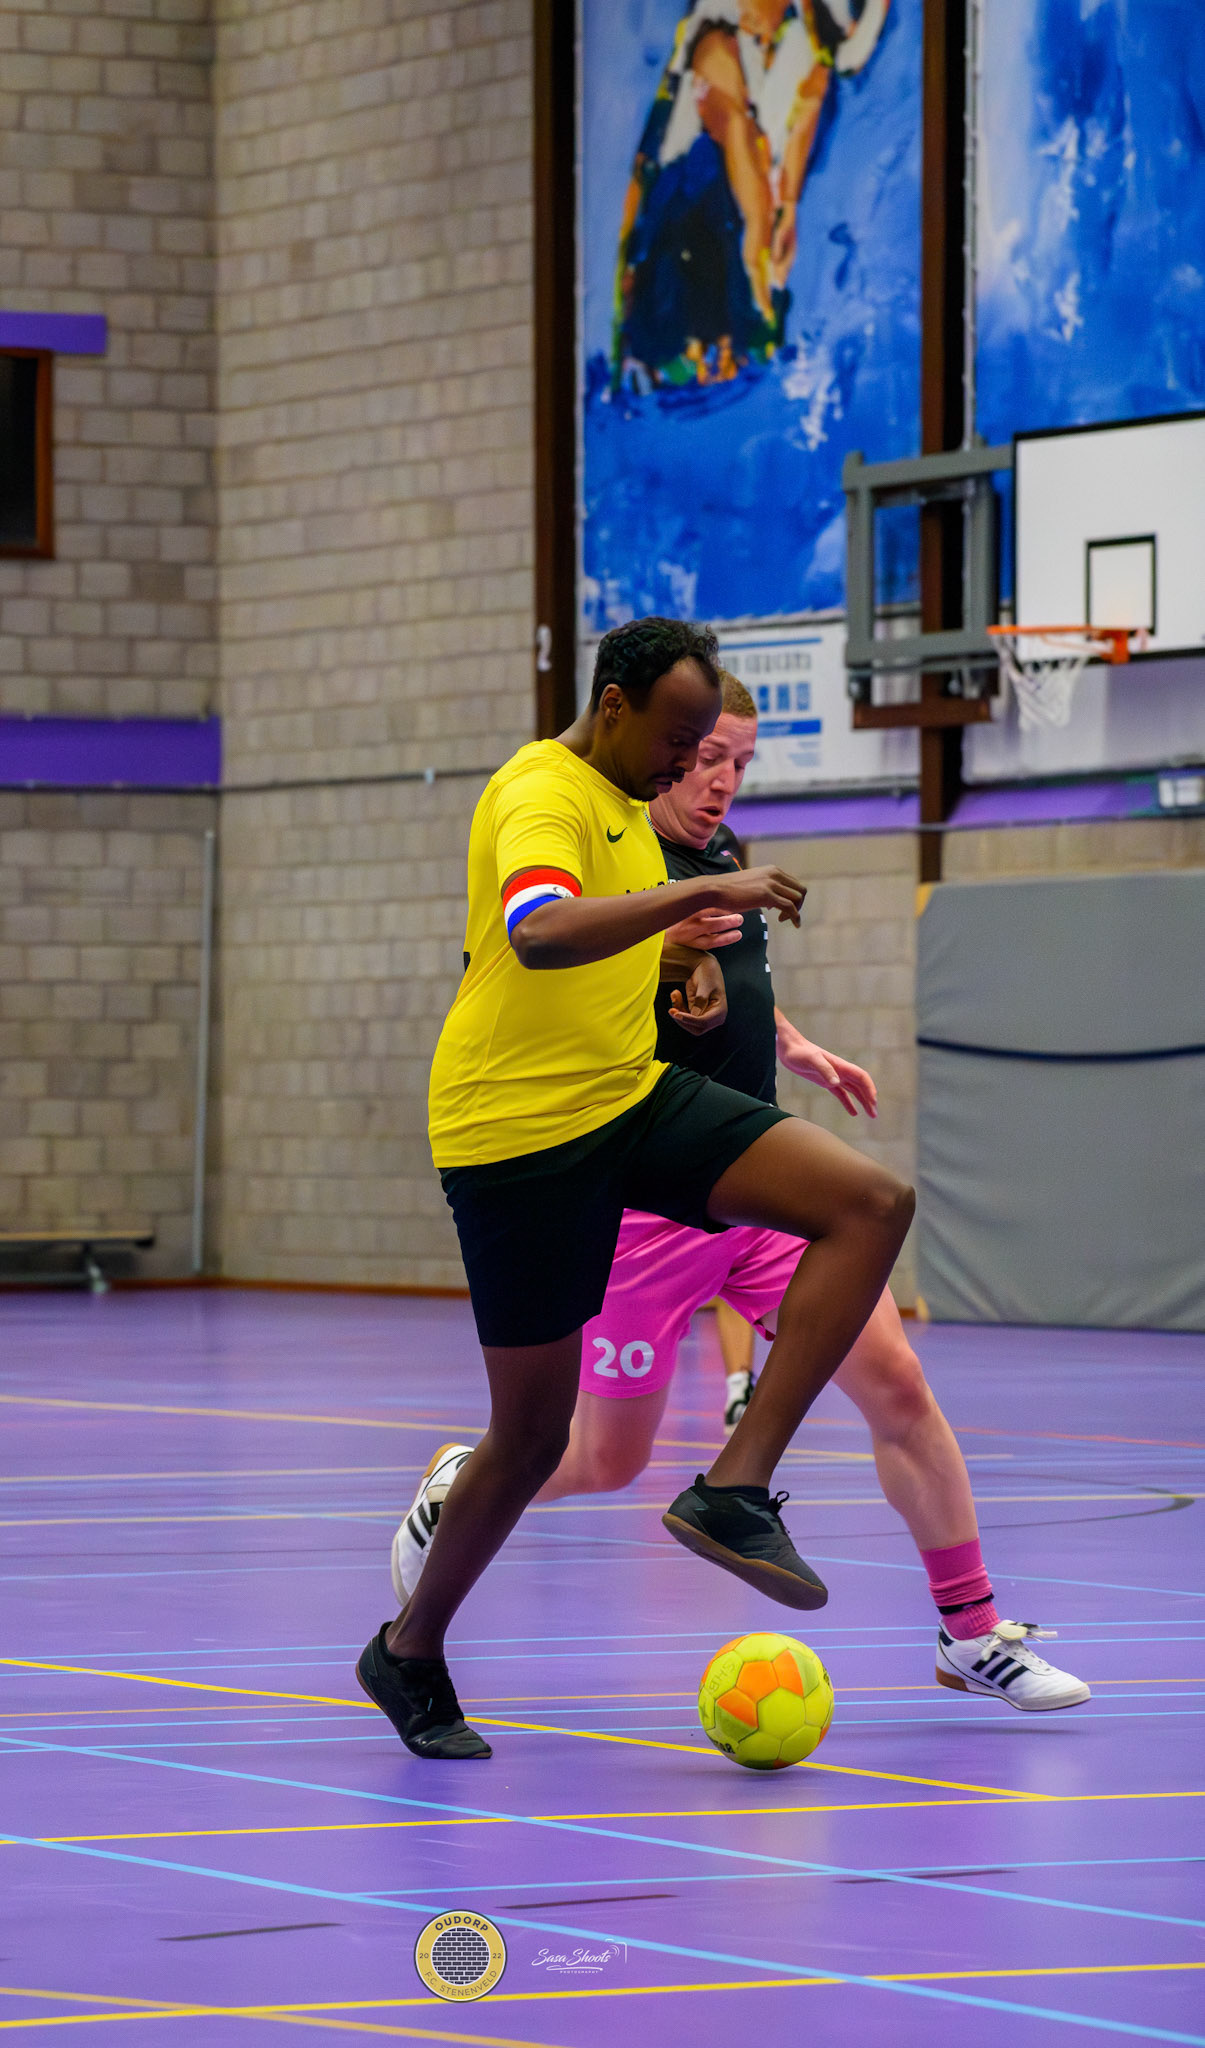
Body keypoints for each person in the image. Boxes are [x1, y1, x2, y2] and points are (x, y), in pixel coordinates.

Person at [394, 672, 1090, 1715]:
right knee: (601, 1458)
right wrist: (660, 945)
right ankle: (462, 1482)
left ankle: (971, 1630)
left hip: (749, 1199)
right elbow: (555, 960)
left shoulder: (722, 855)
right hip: (642, 1210)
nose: (716, 778)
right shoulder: (610, 855)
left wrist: (791, 1041)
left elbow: (735, 985)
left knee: (899, 1387)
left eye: (737, 762)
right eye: (703, 754)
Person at [358, 617, 914, 1760]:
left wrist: (686, 967)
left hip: (625, 1094)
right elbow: (541, 930)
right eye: (675, 738)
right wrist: (690, 907)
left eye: (704, 742)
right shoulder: (543, 792)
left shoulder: (626, 805)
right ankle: (408, 1648)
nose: (684, 762)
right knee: (531, 1436)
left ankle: (735, 1487)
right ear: (611, 703)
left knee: (869, 1203)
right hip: (515, 1132)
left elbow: (612, 949)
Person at [615, 0, 892, 376]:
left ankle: (738, 351)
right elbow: (735, 133)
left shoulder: (805, 46)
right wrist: (758, 243)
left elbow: (800, 128)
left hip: (744, 223)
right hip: (682, 228)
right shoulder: (713, 36)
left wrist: (787, 210)